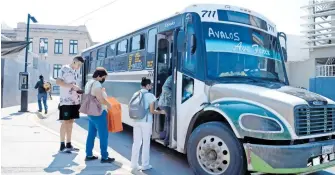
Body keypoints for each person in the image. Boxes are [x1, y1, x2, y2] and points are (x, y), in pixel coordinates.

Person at [130, 77, 166, 171]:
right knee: (146, 142)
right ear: (147, 85)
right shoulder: (150, 96)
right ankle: (145, 165)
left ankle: (134, 164)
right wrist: (161, 112)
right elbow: (152, 111)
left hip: (136, 120)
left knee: (136, 143)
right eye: (150, 85)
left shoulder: (136, 94)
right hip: (146, 122)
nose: (151, 86)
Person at [84, 67, 115, 163]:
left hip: (91, 112)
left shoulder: (89, 82)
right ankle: (105, 157)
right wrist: (109, 105)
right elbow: (100, 99)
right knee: (103, 135)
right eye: (103, 77)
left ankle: (89, 154)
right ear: (98, 76)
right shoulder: (97, 84)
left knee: (91, 134)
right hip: (99, 112)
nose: (103, 79)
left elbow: (92, 94)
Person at [56, 56, 84, 153]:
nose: (79, 67)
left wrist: (78, 90)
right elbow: (58, 82)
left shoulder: (76, 71)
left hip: (75, 101)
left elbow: (75, 85)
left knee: (71, 122)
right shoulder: (65, 68)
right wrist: (72, 86)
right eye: (79, 65)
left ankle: (69, 143)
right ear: (74, 62)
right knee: (65, 122)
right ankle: (62, 145)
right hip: (66, 101)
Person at [158, 69, 173, 146]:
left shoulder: (172, 77)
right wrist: (173, 96)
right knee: (169, 121)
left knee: (167, 121)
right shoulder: (171, 78)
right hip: (165, 103)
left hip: (165, 103)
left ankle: (164, 137)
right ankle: (166, 140)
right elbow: (165, 88)